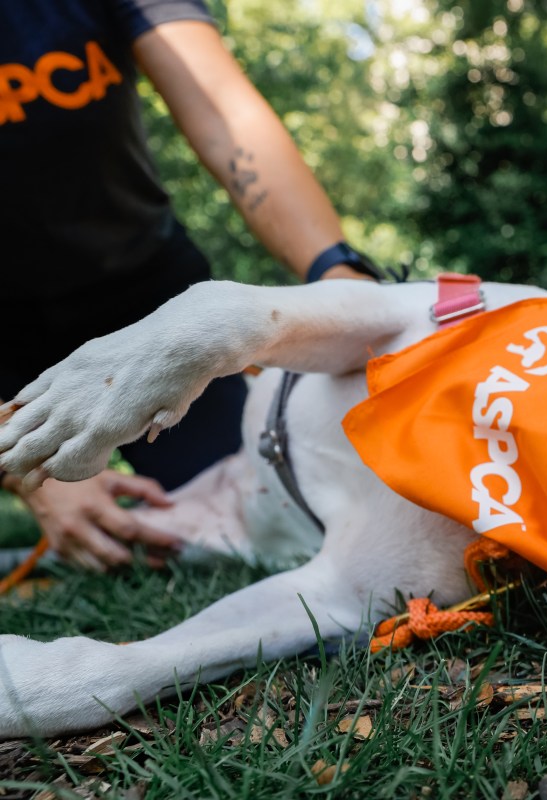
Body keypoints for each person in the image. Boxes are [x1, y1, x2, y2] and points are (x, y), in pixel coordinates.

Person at [0, 0, 380, 570]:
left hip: (147, 304)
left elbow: (226, 117)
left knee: (276, 502)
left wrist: (342, 284)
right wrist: (20, 464)